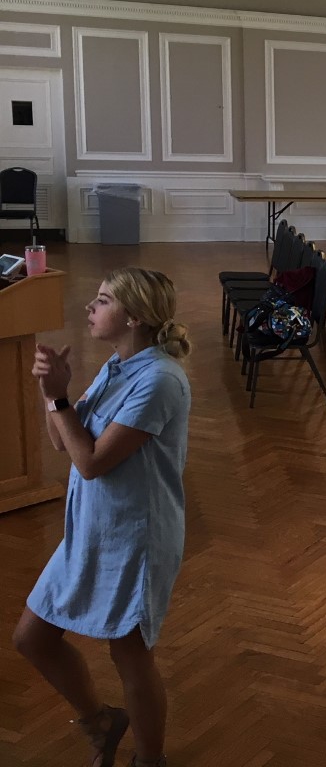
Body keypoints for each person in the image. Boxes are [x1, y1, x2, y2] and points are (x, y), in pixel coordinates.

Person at [13, 268, 192, 767]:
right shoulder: (119, 365)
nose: (90, 308)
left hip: (136, 536)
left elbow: (91, 463)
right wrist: (51, 392)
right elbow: (62, 441)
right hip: (91, 528)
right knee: (32, 638)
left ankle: (149, 760)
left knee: (129, 654)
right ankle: (102, 721)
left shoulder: (159, 380)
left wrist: (60, 397)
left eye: (103, 300)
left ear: (134, 316)